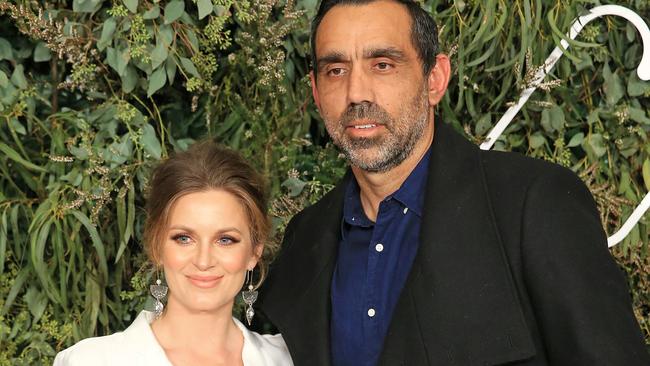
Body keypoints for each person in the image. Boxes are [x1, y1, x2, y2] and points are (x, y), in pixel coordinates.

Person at [258, 0, 650, 365]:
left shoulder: (533, 206)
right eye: (335, 70)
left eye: (383, 65)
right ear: (315, 90)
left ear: (435, 79)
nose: (356, 92)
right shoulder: (303, 240)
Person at [54, 142, 293, 365]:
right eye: (184, 238)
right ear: (156, 244)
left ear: (254, 252)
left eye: (225, 240)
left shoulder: (287, 359)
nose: (203, 260)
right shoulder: (90, 360)